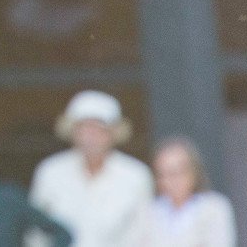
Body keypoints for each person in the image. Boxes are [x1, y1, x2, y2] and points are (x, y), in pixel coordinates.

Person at [29, 90, 154, 247]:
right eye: (84, 128)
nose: (90, 137)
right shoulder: (50, 172)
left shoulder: (136, 175)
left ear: (113, 133)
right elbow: (36, 233)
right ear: (72, 132)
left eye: (99, 129)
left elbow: (144, 235)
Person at [133, 137, 236, 247]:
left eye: (174, 173)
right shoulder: (149, 212)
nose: (167, 181)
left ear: (193, 172)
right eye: (162, 175)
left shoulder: (214, 208)